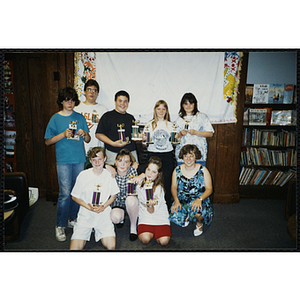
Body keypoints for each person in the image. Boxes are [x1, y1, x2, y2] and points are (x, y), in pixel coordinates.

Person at [44, 87, 91, 242]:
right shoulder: (55, 118)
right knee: (65, 194)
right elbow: (47, 141)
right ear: (61, 101)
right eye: (66, 100)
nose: (69, 103)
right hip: (63, 161)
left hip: (79, 159)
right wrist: (63, 135)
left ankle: (72, 220)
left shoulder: (80, 117)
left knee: (77, 192)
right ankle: (59, 225)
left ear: (75, 101)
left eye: (71, 100)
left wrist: (84, 134)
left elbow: (88, 139)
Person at [70, 147, 120, 250]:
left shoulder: (109, 175)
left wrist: (103, 206)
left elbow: (113, 195)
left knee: (111, 247)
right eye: (94, 159)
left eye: (100, 159)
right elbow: (74, 196)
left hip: (103, 214)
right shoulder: (83, 175)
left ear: (105, 159)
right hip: (86, 214)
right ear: (90, 160)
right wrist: (87, 207)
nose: (97, 162)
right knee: (74, 250)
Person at [169, 144, 213, 236]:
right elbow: (173, 187)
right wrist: (176, 201)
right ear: (182, 157)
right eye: (186, 156)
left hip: (200, 198)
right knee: (174, 214)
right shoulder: (177, 170)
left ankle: (199, 224)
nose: (188, 159)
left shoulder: (203, 170)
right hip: (182, 199)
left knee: (198, 213)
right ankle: (187, 216)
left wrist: (199, 199)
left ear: (196, 156)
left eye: (191, 156)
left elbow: (209, 189)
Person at [141, 100, 174, 210]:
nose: (161, 111)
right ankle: (150, 205)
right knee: (151, 181)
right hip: (153, 155)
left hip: (167, 155)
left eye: (163, 109)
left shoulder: (171, 125)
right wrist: (143, 140)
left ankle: (167, 207)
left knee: (168, 181)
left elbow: (174, 142)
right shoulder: (149, 125)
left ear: (166, 111)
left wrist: (177, 137)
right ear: (155, 110)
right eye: (158, 108)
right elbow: (145, 144)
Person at [133, 156, 171, 246]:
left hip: (160, 216)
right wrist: (141, 176)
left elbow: (153, 210)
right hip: (145, 217)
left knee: (164, 241)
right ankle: (150, 232)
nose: (149, 173)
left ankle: (158, 233)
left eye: (154, 172)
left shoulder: (159, 187)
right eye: (148, 170)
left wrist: (150, 205)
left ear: (158, 174)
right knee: (145, 239)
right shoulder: (140, 184)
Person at [95, 90, 139, 166]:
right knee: (113, 176)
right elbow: (98, 134)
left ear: (128, 103)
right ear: (115, 102)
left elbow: (133, 134)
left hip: (130, 154)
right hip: (113, 153)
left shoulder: (131, 118)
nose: (123, 104)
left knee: (133, 176)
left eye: (125, 101)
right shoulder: (107, 116)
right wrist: (113, 143)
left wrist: (138, 136)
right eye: (120, 101)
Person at [74, 79, 107, 168]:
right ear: (84, 92)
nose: (91, 93)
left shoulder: (103, 109)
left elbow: (108, 130)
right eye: (89, 90)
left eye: (94, 90)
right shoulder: (76, 108)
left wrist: (101, 123)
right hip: (79, 150)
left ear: (97, 93)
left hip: (97, 151)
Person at [175, 92, 214, 166]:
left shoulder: (202, 116)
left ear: (195, 104)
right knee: (182, 175)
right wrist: (180, 134)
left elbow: (210, 133)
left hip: (198, 154)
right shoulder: (179, 119)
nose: (188, 106)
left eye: (191, 103)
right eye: (186, 104)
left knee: (198, 175)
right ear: (182, 105)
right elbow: (176, 137)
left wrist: (196, 132)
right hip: (182, 154)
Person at [110, 149, 139, 241]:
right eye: (120, 161)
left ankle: (133, 227)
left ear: (130, 163)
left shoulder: (133, 172)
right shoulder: (111, 172)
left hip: (130, 201)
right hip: (117, 202)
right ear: (115, 162)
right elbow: (92, 165)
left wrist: (141, 176)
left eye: (126, 162)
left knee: (131, 200)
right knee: (115, 218)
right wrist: (106, 165)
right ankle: (121, 218)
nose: (122, 164)